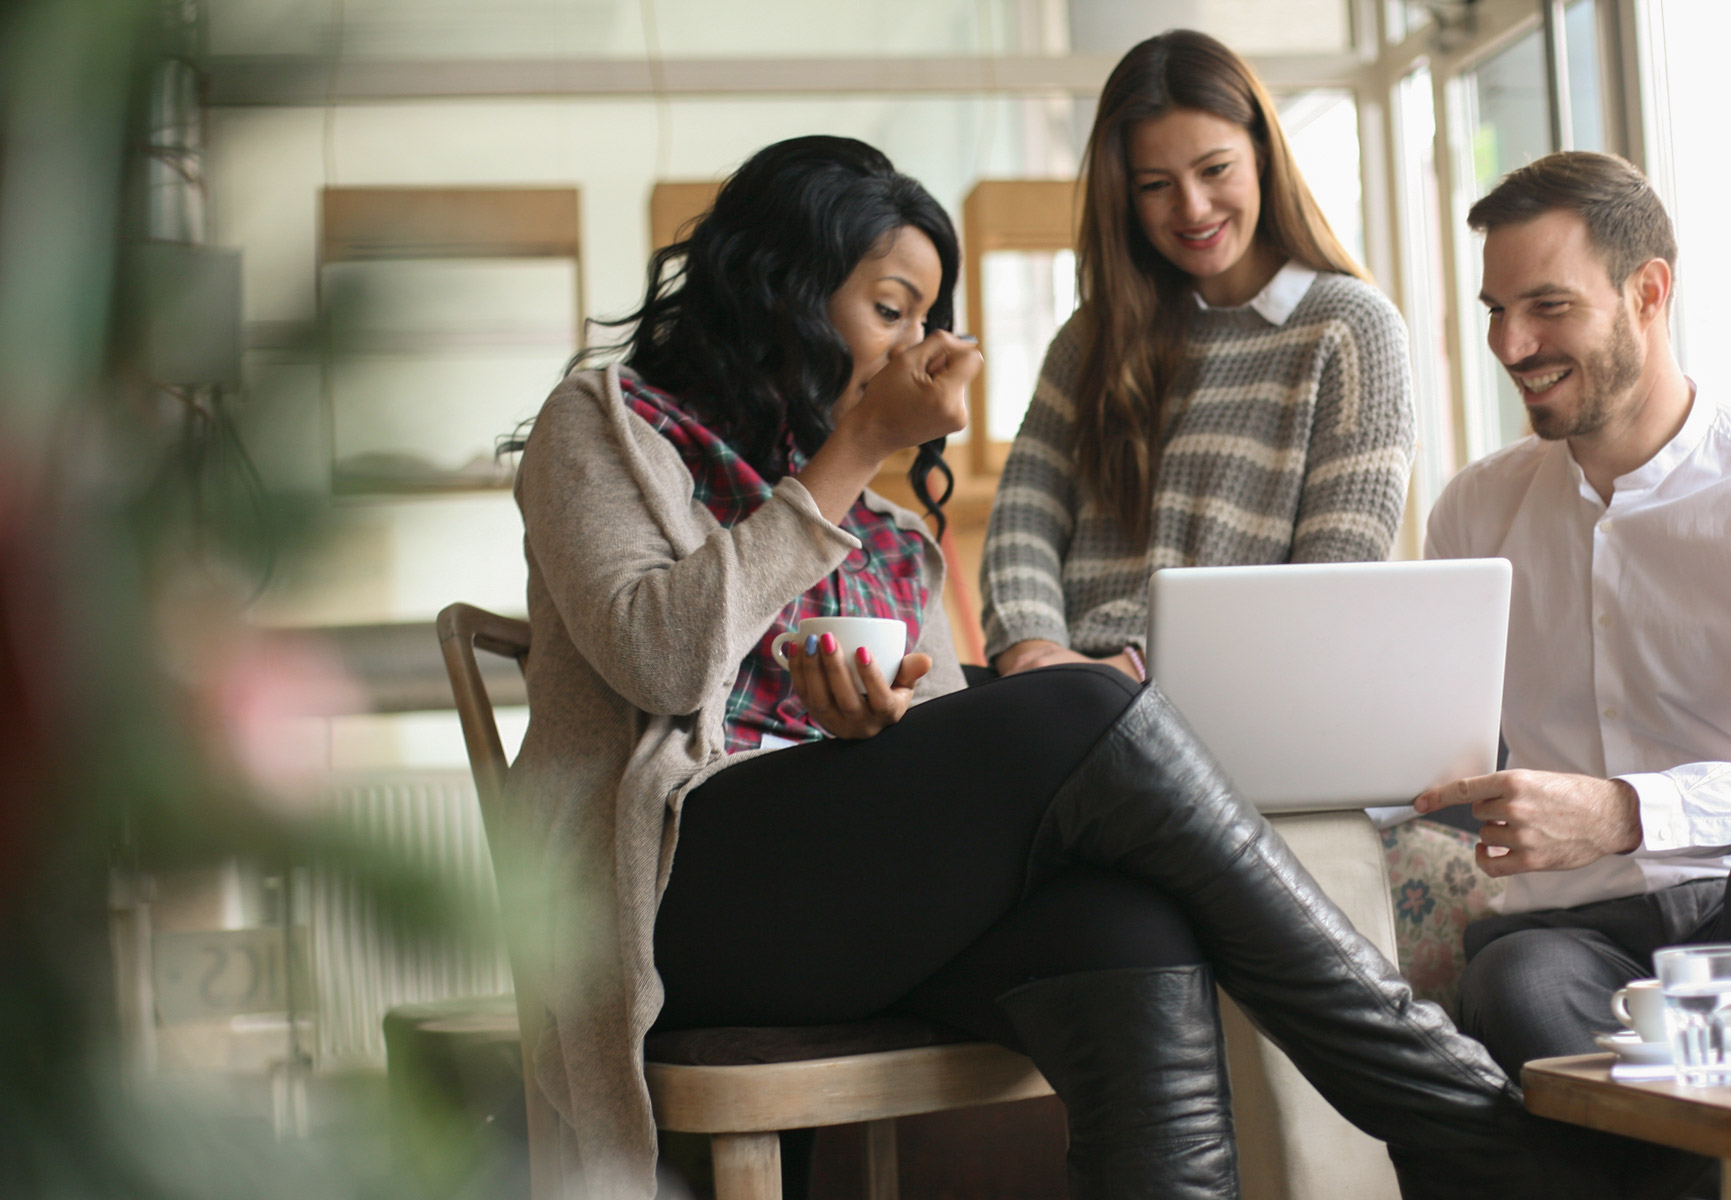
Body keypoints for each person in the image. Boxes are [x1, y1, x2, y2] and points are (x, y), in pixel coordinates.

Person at [508, 134, 1661, 1200]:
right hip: (667, 904)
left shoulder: (889, 534)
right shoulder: (604, 430)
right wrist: (857, 450)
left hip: (843, 905)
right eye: (888, 309)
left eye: (924, 317)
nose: (914, 346)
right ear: (784, 287)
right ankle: (1458, 1113)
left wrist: (884, 723)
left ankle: (1452, 1120)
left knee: (1123, 926)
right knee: (1076, 699)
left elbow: (908, 748)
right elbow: (657, 658)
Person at [1415, 150, 1731, 1200]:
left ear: (1649, 292)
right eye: (1496, 310)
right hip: (1583, 938)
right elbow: (1427, 748)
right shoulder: (1472, 513)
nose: (1511, 345)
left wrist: (1628, 811)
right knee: (1517, 972)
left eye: (1547, 307)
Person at [981, 29, 1416, 681]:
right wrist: (1031, 649)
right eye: (1155, 184)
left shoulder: (1348, 329)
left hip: (1240, 695)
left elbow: (1334, 579)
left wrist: (1134, 672)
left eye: (1215, 170)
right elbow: (1025, 511)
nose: (1191, 208)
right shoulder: (1089, 338)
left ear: (1263, 155)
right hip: (1067, 693)